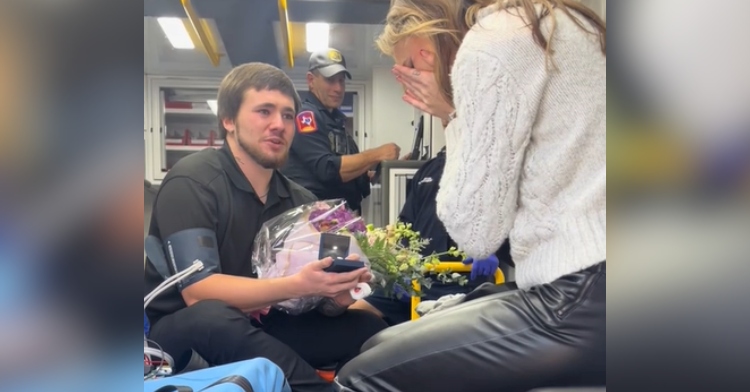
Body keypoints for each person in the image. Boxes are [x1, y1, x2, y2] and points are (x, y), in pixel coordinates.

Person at [334, 1, 606, 391]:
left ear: (425, 49)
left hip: (580, 294)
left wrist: (452, 114)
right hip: (604, 284)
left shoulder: (492, 41)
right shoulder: (562, 22)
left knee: (357, 378)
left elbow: (476, 233)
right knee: (381, 343)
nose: (412, 79)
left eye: (410, 66)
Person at [143, 63, 388, 392]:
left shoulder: (301, 201)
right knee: (212, 316)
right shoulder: (193, 180)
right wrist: (298, 285)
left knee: (365, 326)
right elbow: (197, 292)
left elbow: (316, 306)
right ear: (229, 120)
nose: (279, 125)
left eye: (288, 116)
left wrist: (340, 294)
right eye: (264, 111)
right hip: (177, 340)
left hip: (261, 327)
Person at [350, 146, 516, 325]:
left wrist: (490, 247)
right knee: (354, 313)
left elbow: (508, 222)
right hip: (414, 280)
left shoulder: (490, 169)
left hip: (459, 280)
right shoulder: (429, 169)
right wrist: (397, 270)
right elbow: (405, 226)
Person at [281, 48, 401, 214]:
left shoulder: (336, 121)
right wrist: (377, 154)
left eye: (341, 81)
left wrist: (386, 169)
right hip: (312, 219)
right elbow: (328, 170)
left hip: (335, 217)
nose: (338, 88)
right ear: (311, 80)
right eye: (330, 80)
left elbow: (346, 174)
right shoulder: (306, 117)